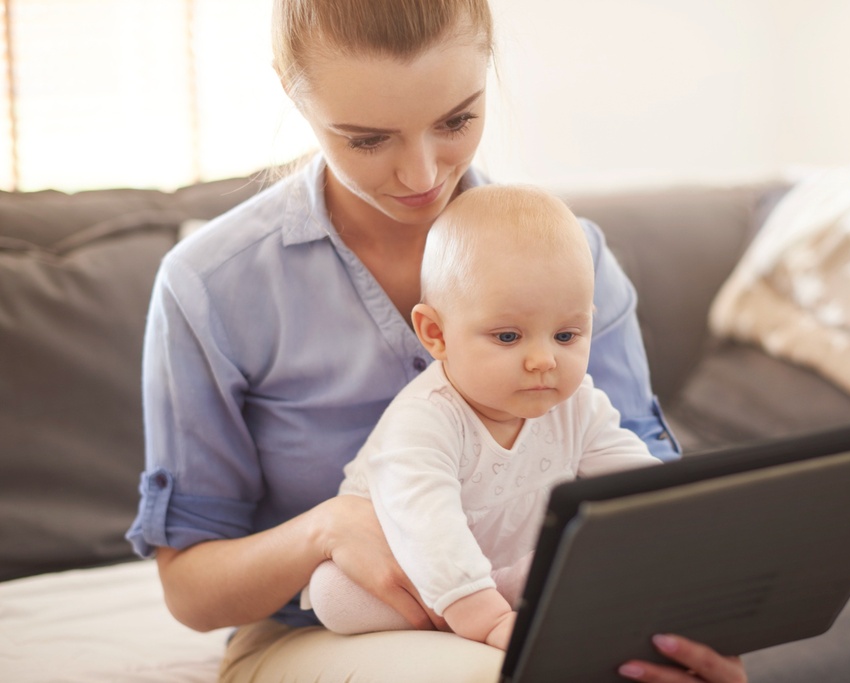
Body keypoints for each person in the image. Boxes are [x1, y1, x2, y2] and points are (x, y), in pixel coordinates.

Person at [125, 1, 748, 681]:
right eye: (368, 139)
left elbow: (645, 500)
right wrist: (326, 529)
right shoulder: (212, 286)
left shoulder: (576, 259)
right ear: (290, 89)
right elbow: (191, 591)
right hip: (322, 632)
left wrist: (689, 631)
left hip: (544, 613)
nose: (422, 176)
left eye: (456, 121)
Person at [306, 184, 663, 649]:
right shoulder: (425, 421)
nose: (544, 360)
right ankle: (474, 604)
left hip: (503, 564)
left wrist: (683, 528)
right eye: (509, 337)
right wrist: (487, 621)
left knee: (597, 543)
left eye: (566, 335)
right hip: (404, 567)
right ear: (436, 334)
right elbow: (428, 528)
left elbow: (641, 485)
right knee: (335, 593)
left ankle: (507, 588)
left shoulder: (577, 404)